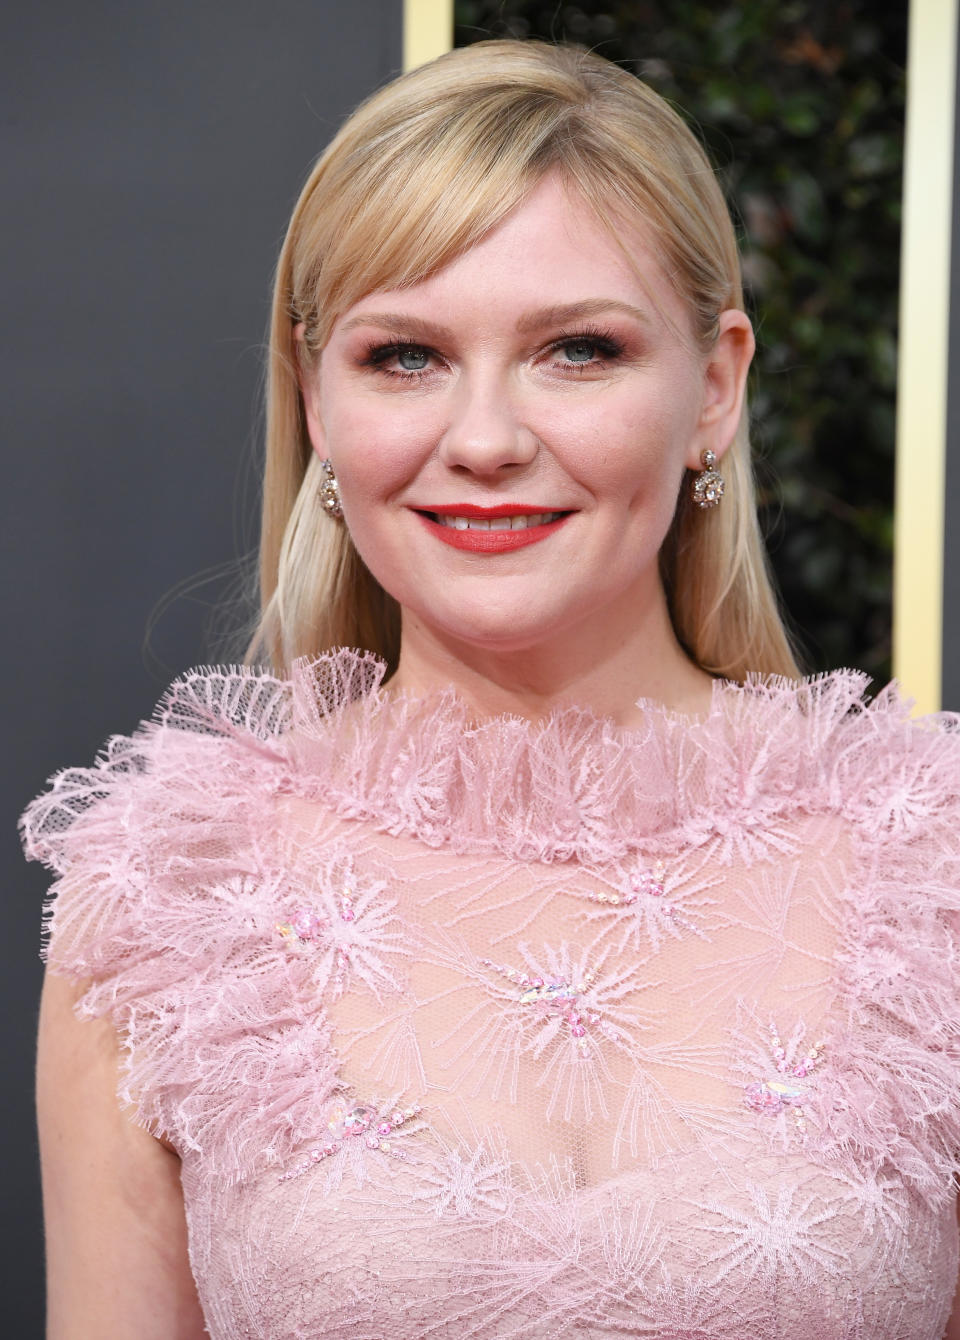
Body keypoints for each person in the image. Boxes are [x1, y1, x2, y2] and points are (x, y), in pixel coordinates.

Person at [22, 38, 960, 1340]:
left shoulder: (934, 873)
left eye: (576, 350)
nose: (484, 440)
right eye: (404, 355)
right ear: (315, 396)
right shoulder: (169, 902)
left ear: (717, 387)